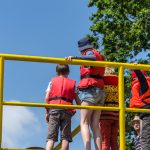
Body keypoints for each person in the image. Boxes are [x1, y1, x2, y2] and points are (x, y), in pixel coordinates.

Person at [66, 37, 105, 150]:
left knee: (84, 122)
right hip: (100, 92)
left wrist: (75, 58)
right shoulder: (99, 54)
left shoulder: (89, 53)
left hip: (90, 90)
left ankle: (87, 148)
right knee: (95, 125)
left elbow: (91, 58)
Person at [45, 64, 81, 150]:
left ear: (57, 73)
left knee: (51, 138)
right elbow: (78, 101)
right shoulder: (73, 84)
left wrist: (47, 112)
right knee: (65, 138)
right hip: (67, 110)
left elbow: (46, 98)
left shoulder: (52, 82)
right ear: (68, 72)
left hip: (53, 109)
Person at [130, 70, 150, 150]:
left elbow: (142, 79)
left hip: (147, 115)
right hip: (144, 115)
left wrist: (136, 69)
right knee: (143, 138)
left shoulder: (143, 85)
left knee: (145, 139)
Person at [99, 67, 119, 150]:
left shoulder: (103, 86)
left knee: (105, 140)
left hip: (105, 116)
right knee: (114, 140)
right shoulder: (118, 86)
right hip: (116, 115)